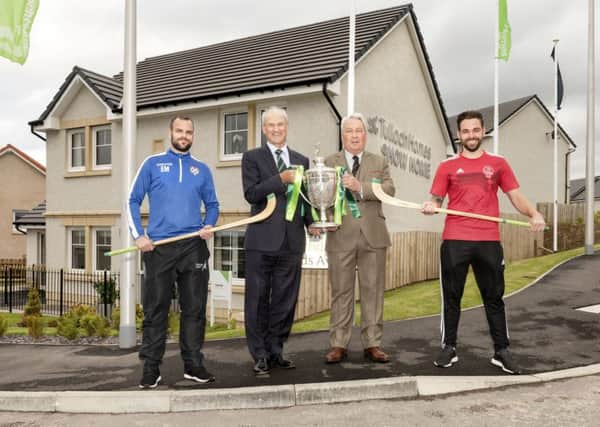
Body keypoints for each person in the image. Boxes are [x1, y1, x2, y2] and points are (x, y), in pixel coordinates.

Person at [422, 110, 546, 375]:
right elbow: (436, 199)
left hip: (488, 240)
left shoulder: (499, 163)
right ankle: (449, 347)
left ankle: (501, 351)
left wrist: (534, 214)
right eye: (465, 131)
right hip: (455, 239)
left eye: (475, 130)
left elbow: (515, 196)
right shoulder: (447, 166)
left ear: (483, 131)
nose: (471, 135)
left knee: (494, 298)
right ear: (458, 135)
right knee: (452, 298)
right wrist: (431, 205)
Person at [128, 116, 219, 388]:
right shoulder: (152, 164)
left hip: (193, 246)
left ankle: (193, 365)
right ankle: (151, 368)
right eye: (179, 131)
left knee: (194, 309)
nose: (184, 135)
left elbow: (212, 204)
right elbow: (132, 199)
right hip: (159, 248)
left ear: (193, 135)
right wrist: (139, 235)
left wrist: (209, 224)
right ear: (170, 132)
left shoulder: (201, 169)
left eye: (189, 132)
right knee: (156, 310)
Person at [241, 106, 316, 376]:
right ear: (263, 129)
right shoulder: (252, 158)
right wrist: (279, 179)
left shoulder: (302, 160)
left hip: (292, 242)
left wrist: (312, 223)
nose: (275, 129)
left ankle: (276, 351)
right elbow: (251, 194)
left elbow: (306, 199)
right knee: (257, 301)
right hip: (261, 241)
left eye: (280, 125)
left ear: (287, 127)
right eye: (270, 125)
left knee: (285, 301)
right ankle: (259, 354)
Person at [323, 113, 395, 364]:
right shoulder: (329, 161)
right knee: (341, 292)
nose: (354, 135)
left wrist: (359, 186)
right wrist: (324, 219)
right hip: (339, 234)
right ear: (343, 136)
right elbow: (323, 196)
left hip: (373, 236)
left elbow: (389, 190)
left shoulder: (380, 161)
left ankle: (372, 343)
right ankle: (338, 344)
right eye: (349, 131)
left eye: (359, 131)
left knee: (373, 292)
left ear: (366, 134)